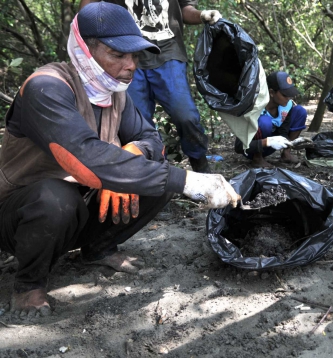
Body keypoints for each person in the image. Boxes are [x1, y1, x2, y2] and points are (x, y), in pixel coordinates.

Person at [0, 2, 240, 318]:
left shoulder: (115, 93)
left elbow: (152, 140)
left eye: (134, 56)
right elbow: (85, 158)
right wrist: (185, 180)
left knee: (155, 178)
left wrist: (131, 155)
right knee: (55, 197)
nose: (131, 66)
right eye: (118, 55)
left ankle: (96, 249)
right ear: (84, 49)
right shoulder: (46, 87)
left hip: (79, 206)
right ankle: (29, 285)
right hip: (21, 214)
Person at [80, 0, 222, 174]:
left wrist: (201, 15)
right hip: (127, 52)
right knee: (137, 123)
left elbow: (185, 8)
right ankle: (152, 174)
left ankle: (200, 164)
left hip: (168, 52)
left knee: (185, 115)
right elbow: (89, 8)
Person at [234, 71, 307, 168]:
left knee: (300, 111)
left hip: (272, 145)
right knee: (265, 121)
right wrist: (268, 142)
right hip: (252, 148)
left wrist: (290, 143)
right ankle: (257, 158)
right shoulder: (255, 107)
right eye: (285, 95)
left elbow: (283, 131)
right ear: (272, 93)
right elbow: (239, 147)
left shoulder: (286, 106)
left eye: (290, 94)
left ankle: (286, 154)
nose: (288, 98)